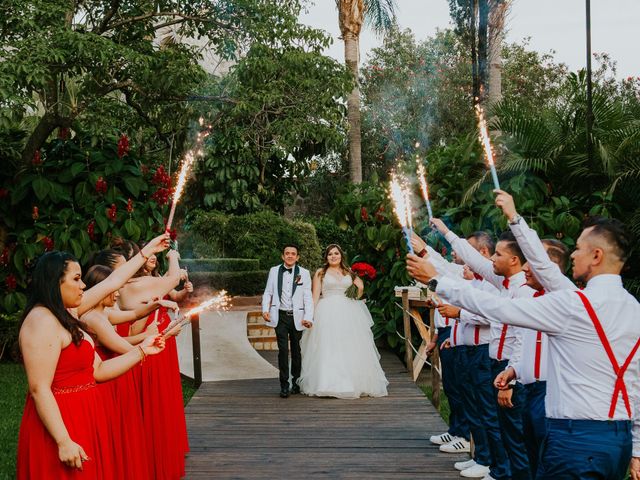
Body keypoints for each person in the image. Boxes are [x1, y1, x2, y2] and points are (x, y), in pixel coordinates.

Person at [406, 216, 640, 480]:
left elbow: (500, 309)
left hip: (575, 438)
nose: (573, 254)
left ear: (596, 255)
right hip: (617, 441)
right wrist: (637, 448)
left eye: (578, 247)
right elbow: (636, 382)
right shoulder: (633, 308)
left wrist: (437, 281)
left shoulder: (573, 305)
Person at [16, 233, 170, 479]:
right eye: (76, 279)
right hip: (62, 423)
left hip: (87, 415)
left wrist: (142, 350)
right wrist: (63, 440)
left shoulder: (68, 313)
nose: (83, 285)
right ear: (55, 282)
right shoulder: (41, 321)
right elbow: (39, 389)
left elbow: (96, 372)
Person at [298, 244, 388, 399]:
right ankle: (327, 383)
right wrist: (309, 316)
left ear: (341, 256)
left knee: (349, 345)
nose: (333, 256)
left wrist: (360, 287)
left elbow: (357, 295)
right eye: (330, 254)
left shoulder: (349, 272)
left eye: (336, 253)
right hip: (326, 311)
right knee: (328, 345)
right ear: (326, 257)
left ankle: (352, 382)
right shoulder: (321, 273)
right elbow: (314, 296)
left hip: (349, 311)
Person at [262, 244, 314, 398]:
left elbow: (307, 298)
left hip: (297, 317)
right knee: (283, 351)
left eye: (293, 254)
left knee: (297, 351)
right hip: (280, 316)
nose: (290, 256)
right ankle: (284, 385)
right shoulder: (274, 270)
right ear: (282, 256)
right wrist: (265, 310)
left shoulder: (303, 273)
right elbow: (268, 292)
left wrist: (308, 317)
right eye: (287, 253)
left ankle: (296, 382)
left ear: (297, 257)